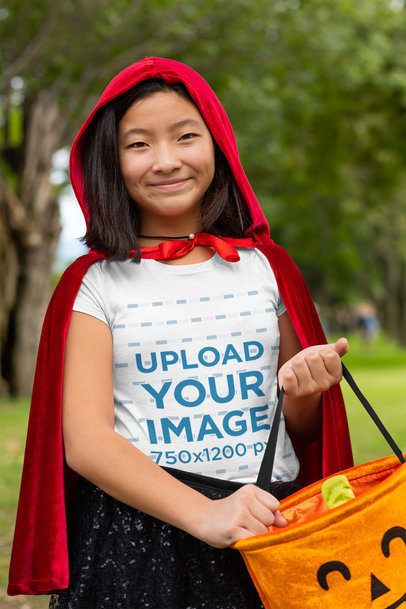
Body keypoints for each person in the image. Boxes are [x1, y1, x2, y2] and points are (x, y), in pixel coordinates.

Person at [8, 57, 353, 609]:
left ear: (217, 144)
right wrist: (206, 514)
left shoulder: (267, 267)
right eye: (138, 144)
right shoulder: (94, 283)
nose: (165, 160)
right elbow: (89, 442)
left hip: (270, 522)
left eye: (186, 136)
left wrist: (307, 388)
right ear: (109, 161)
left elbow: (299, 425)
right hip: (141, 538)